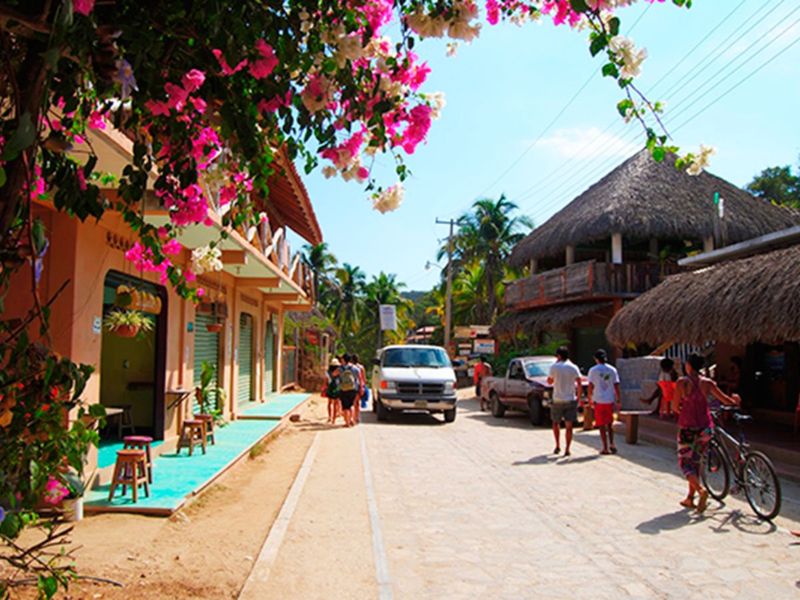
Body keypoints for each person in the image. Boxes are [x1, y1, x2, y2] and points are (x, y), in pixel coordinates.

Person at [674, 353, 740, 512]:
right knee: (696, 461)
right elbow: (726, 400)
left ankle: (700, 490)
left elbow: (676, 406)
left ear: (689, 365)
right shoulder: (708, 383)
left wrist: (684, 409)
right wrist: (736, 400)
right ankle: (690, 498)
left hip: (687, 427)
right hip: (705, 427)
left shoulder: (682, 383)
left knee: (685, 462)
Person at [547, 346, 582, 456]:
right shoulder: (573, 367)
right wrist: (579, 397)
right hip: (570, 399)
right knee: (569, 426)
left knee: (555, 423)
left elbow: (549, 381)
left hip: (557, 398)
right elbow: (579, 383)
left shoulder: (554, 367)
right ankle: (567, 449)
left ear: (559, 356)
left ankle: (557, 445)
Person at [587, 349, 621, 455]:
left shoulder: (593, 370)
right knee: (610, 423)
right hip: (610, 400)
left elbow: (590, 386)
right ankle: (612, 444)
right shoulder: (612, 370)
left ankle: (605, 447)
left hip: (598, 400)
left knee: (601, 425)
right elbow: (616, 385)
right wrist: (618, 398)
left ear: (596, 359)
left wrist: (590, 398)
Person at [338, 353, 360, 427]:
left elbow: (334, 374)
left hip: (343, 389)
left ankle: (347, 423)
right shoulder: (355, 368)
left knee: (345, 407)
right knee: (351, 405)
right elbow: (358, 377)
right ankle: (352, 420)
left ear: (343, 360)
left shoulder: (340, 368)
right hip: (353, 388)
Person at [325, 359, 342, 424]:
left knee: (329, 403)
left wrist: (325, 387)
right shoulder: (339, 371)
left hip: (330, 388)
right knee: (336, 404)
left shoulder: (327, 372)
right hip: (337, 388)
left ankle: (329, 416)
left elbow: (326, 380)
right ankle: (334, 419)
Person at [352, 353, 367, 424]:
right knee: (357, 403)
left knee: (352, 403)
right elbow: (364, 379)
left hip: (352, 386)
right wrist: (363, 387)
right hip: (359, 386)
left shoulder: (350, 367)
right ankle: (357, 417)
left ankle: (353, 418)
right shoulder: (361, 367)